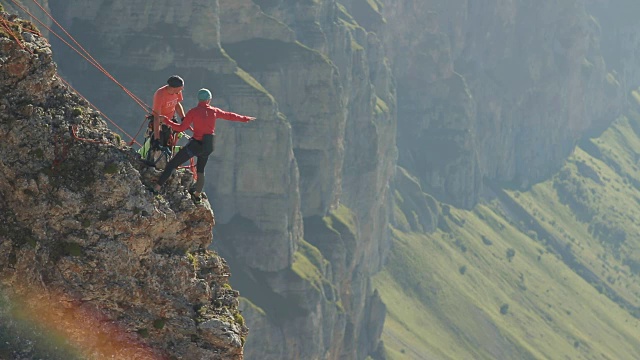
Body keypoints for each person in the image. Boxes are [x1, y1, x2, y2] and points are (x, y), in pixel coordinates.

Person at [150, 88, 256, 203]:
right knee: (200, 170)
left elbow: (180, 128)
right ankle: (197, 195)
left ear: (199, 99)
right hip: (208, 146)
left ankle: (157, 188)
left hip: (194, 145)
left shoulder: (193, 112)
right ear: (209, 100)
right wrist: (245, 119)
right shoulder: (214, 111)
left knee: (172, 164)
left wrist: (166, 121)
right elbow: (229, 115)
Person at [151, 75, 186, 149]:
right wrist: (156, 138)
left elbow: (177, 104)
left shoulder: (177, 92)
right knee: (158, 147)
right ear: (174, 88)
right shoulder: (160, 95)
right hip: (160, 122)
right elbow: (156, 117)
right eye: (180, 88)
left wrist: (183, 118)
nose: (182, 89)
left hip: (171, 120)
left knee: (169, 145)